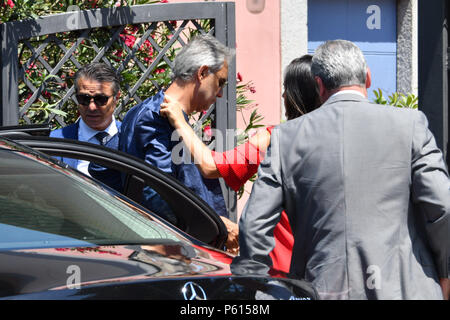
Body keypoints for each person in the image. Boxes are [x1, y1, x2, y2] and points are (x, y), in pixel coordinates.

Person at [231, 39, 450, 300]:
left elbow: (254, 225)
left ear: (319, 86)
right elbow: (442, 206)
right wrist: (444, 271)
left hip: (320, 290)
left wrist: (260, 289)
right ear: (368, 78)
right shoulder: (410, 124)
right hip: (405, 290)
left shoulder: (285, 138)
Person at [160, 54, 320, 272]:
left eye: (286, 89)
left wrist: (179, 120)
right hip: (326, 266)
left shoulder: (275, 139)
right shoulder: (343, 141)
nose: (283, 95)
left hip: (283, 270)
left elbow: (211, 166)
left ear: (297, 94)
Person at [118, 34, 238, 252]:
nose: (220, 93)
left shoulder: (151, 112)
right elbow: (159, 195)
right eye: (220, 82)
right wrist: (215, 225)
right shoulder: (155, 117)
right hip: (172, 251)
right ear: (202, 73)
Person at [50, 62, 122, 176]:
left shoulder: (130, 139)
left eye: (100, 99)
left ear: (116, 98)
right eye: (84, 98)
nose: (92, 107)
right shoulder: (55, 141)